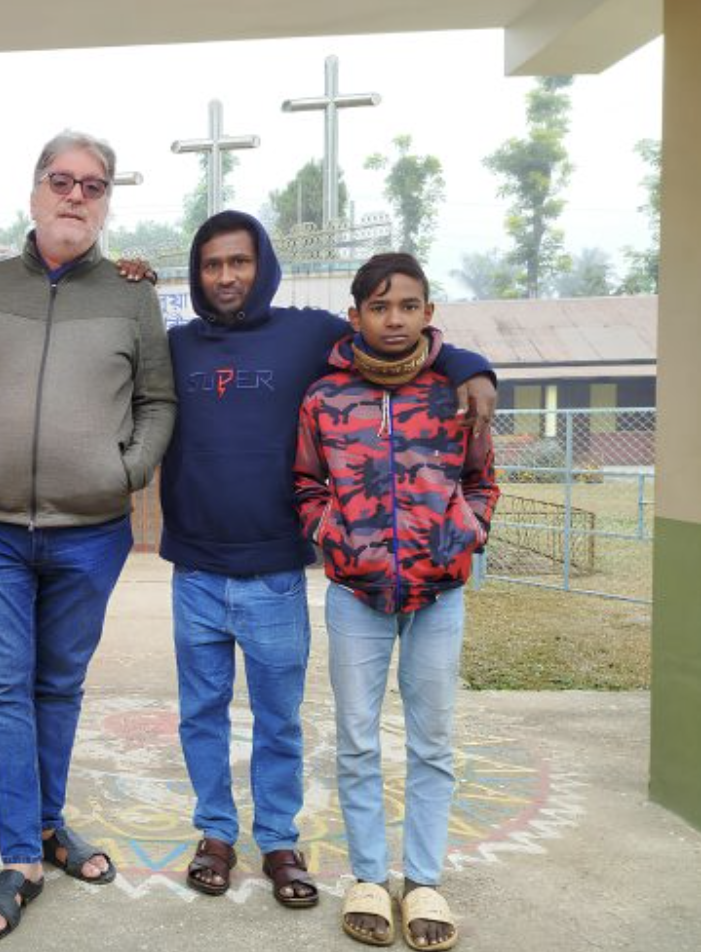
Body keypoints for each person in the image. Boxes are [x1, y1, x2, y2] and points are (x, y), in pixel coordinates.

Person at [160, 210, 497, 909]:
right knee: (202, 715)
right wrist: (130, 277)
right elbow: (117, 354)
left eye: (239, 261)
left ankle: (279, 842)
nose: (226, 276)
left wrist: (473, 366)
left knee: (279, 720)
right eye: (212, 264)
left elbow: (398, 337)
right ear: (197, 273)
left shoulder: (307, 333)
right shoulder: (178, 345)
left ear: (263, 266)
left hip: (275, 575)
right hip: (195, 570)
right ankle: (215, 835)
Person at [0, 131, 177, 940]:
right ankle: (20, 859)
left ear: (107, 201)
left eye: (93, 186)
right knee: (2, 688)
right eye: (62, 181)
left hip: (91, 530)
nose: (76, 195)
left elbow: (158, 400)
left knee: (59, 686)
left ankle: (45, 823)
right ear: (35, 190)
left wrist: (126, 470)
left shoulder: (133, 295)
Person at [293, 253, 498, 951]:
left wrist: (468, 531)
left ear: (428, 312)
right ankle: (369, 877)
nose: (394, 319)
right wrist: (330, 532)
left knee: (431, 742)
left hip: (439, 596)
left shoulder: (457, 392)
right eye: (379, 307)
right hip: (357, 595)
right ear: (355, 316)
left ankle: (424, 880)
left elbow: (482, 478)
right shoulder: (325, 398)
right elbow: (306, 481)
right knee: (356, 740)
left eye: (408, 306)